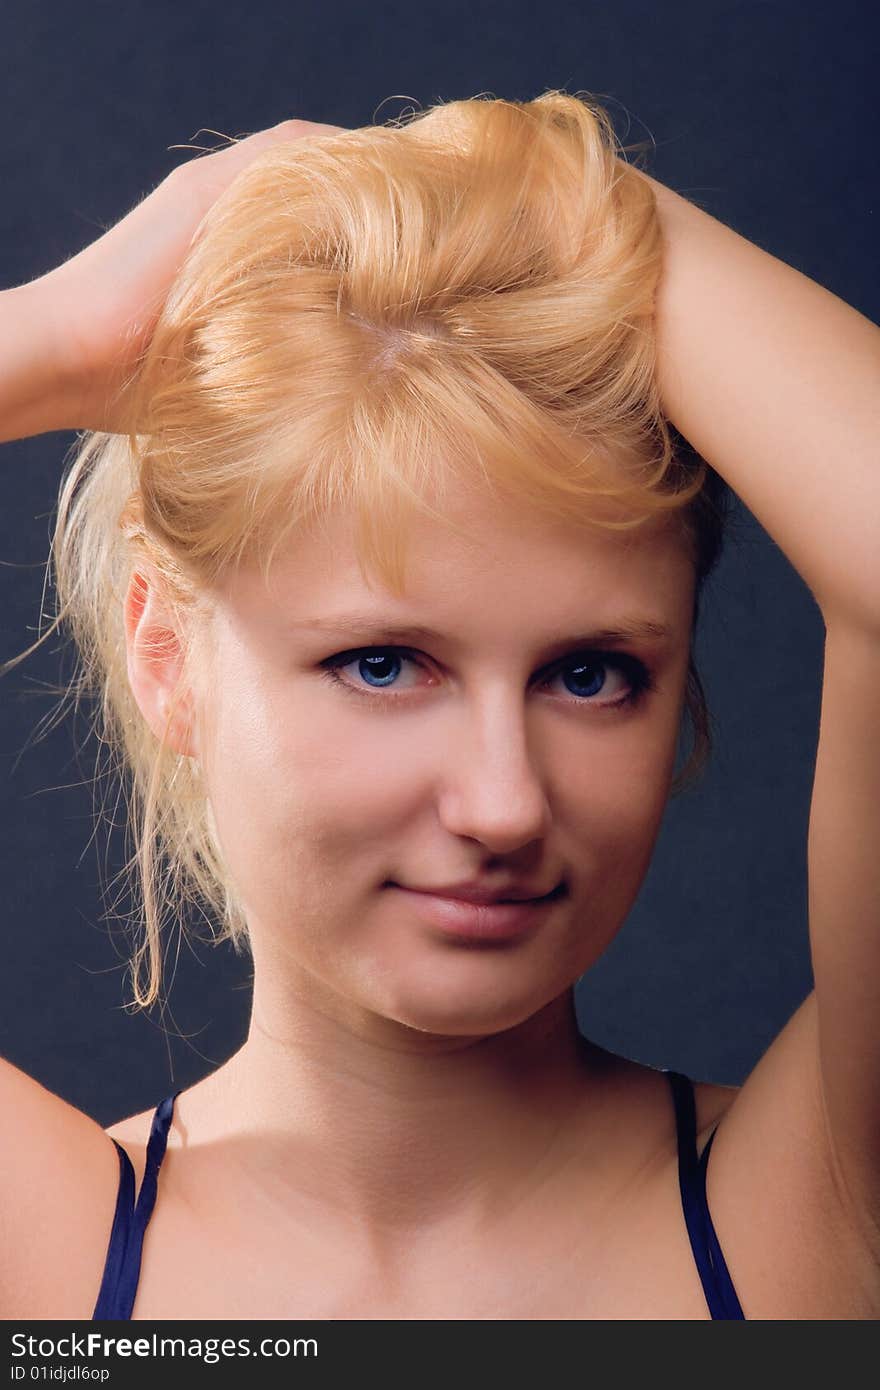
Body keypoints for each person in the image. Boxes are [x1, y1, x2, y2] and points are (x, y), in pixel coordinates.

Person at [0, 92, 878, 1321]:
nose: (505, 803)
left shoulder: (822, 1213)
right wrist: (63, 329)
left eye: (590, 675)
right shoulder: (39, 1262)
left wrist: (558, 190)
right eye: (382, 664)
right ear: (166, 653)